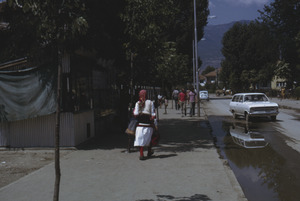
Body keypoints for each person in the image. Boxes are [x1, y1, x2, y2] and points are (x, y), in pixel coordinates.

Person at [133, 90, 156, 160]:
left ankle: (141, 154)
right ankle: (149, 151)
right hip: (148, 124)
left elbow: (136, 114)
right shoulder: (151, 102)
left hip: (140, 124)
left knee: (140, 139)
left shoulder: (137, 103)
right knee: (150, 137)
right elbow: (153, 114)